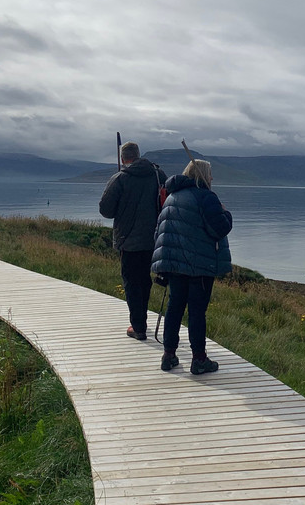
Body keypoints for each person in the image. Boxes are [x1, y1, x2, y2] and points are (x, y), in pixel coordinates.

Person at [152, 159, 232, 374]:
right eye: (210, 174)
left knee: (174, 307)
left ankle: (168, 355)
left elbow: (160, 231)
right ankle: (199, 359)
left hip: (174, 265)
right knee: (197, 312)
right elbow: (220, 228)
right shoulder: (206, 197)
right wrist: (225, 213)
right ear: (203, 175)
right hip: (200, 265)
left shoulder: (172, 197)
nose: (212, 178)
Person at [99, 141, 167, 341]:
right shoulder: (158, 175)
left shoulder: (120, 178)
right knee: (145, 281)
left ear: (122, 159)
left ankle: (138, 326)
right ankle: (141, 321)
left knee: (131, 282)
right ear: (139, 155)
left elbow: (106, 210)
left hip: (128, 240)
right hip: (154, 239)